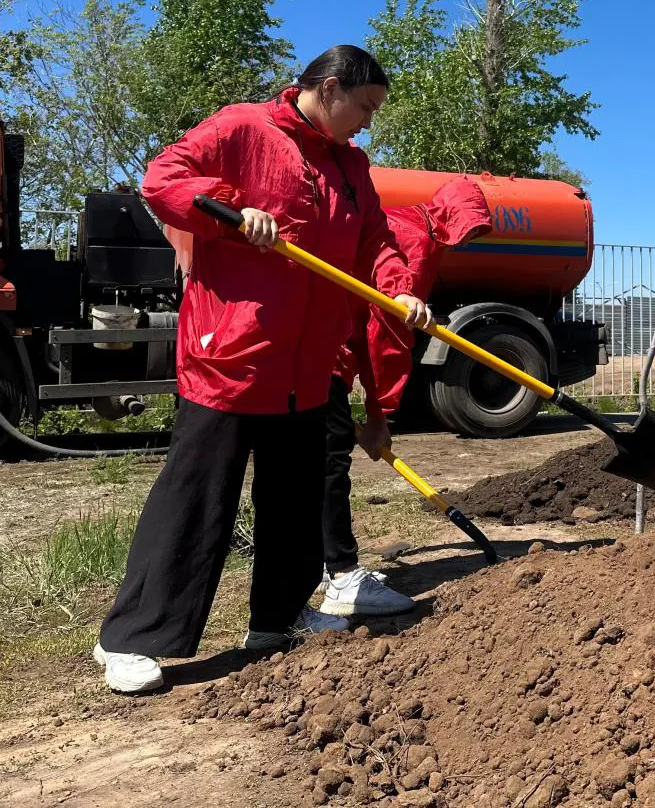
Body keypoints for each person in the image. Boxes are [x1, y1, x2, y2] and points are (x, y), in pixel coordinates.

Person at [93, 45, 432, 694]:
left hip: (306, 366)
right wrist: (226, 208)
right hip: (233, 357)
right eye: (364, 107)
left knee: (295, 504)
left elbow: (376, 242)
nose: (367, 122)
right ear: (331, 88)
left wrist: (400, 286)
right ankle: (131, 638)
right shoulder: (244, 129)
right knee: (198, 498)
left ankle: (275, 620)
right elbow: (162, 179)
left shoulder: (353, 167)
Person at [319, 176, 492, 617]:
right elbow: (387, 337)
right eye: (467, 228)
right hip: (323, 354)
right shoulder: (415, 243)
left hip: (322, 345)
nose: (467, 240)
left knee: (316, 462)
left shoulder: (405, 221)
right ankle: (341, 579)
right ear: (450, 216)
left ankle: (326, 566)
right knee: (329, 463)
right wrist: (379, 416)